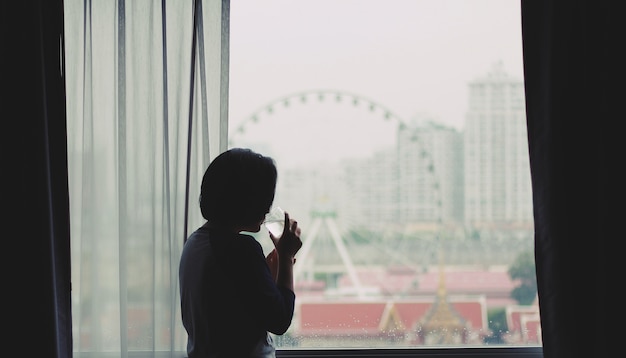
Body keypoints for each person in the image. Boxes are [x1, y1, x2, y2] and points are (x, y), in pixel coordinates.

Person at [179, 148, 302, 358]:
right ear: (247, 200)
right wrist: (286, 257)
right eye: (264, 198)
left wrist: (267, 274)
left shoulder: (194, 243)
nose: (267, 209)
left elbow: (234, 306)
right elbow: (279, 320)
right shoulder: (241, 249)